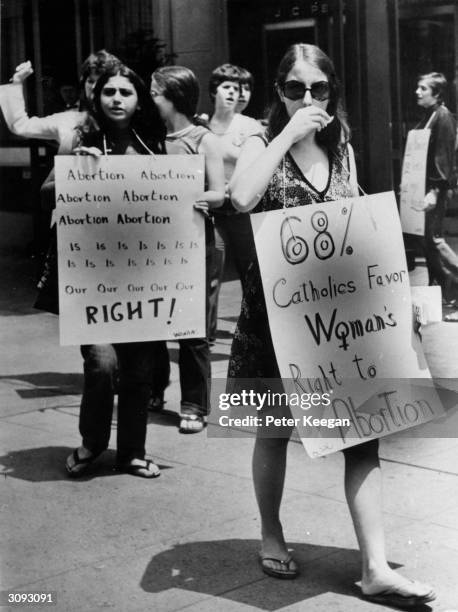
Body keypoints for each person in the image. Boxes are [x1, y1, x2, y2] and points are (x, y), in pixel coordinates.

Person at [228, 43, 436, 607]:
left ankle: (374, 566)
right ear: (279, 91)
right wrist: (286, 135)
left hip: (340, 318)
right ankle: (271, 532)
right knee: (273, 431)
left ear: (332, 91)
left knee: (363, 438)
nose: (308, 98)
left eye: (319, 89)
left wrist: (397, 288)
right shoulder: (257, 140)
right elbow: (242, 196)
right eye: (296, 88)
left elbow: (357, 216)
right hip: (275, 319)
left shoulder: (340, 145)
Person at [64, 64, 167, 478]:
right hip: (94, 284)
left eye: (126, 91)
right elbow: (48, 192)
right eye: (110, 91)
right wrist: (75, 170)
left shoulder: (154, 149)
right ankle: (92, 441)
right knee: (103, 363)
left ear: (139, 99)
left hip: (145, 280)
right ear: (98, 97)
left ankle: (132, 453)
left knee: (141, 372)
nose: (118, 99)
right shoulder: (84, 143)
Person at [149, 65, 225, 432]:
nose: (151, 100)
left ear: (174, 97)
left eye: (155, 94)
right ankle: (153, 388)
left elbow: (220, 192)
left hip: (196, 241)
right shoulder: (151, 138)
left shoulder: (203, 139)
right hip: (156, 241)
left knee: (191, 327)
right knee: (151, 318)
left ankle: (194, 404)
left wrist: (185, 196)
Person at [207, 64, 262, 342]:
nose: (233, 93)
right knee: (211, 271)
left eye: (237, 89)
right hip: (213, 211)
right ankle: (206, 335)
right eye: (226, 87)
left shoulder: (250, 126)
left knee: (250, 272)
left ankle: (253, 332)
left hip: (242, 211)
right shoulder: (201, 127)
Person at [0, 50, 121, 154]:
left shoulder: (128, 121)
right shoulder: (67, 120)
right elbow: (21, 126)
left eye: (101, 81)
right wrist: (17, 82)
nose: (94, 87)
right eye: (90, 81)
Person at [413, 72, 456, 313]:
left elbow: (443, 158)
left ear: (437, 94)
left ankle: (454, 286)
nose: (417, 92)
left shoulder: (443, 117)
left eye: (423, 89)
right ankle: (440, 290)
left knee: (435, 241)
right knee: (428, 242)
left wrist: (435, 191)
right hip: (425, 190)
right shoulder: (430, 116)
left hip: (433, 191)